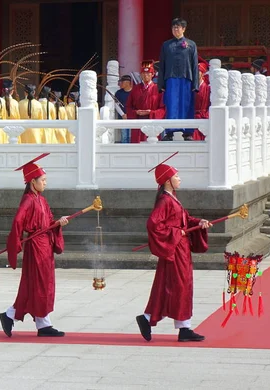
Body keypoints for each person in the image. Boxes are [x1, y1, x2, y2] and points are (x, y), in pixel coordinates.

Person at [135, 154, 211, 342]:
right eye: (176, 176)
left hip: (179, 250)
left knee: (171, 286)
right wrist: (177, 233)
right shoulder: (165, 201)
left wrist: (199, 222)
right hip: (175, 250)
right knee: (178, 286)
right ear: (168, 181)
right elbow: (153, 224)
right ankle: (182, 326)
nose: (179, 178)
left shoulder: (172, 198)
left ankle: (155, 320)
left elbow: (183, 220)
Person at [0, 153, 69, 338]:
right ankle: (15, 315)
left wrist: (57, 224)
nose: (45, 183)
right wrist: (16, 243)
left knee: (41, 285)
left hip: (44, 244)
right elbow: (17, 222)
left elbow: (48, 223)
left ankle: (38, 322)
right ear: (32, 182)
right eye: (43, 180)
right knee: (37, 285)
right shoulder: (29, 200)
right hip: (36, 247)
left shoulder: (41, 199)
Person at [158, 18, 198, 141]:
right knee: (171, 104)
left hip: (186, 79)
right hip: (171, 79)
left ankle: (187, 132)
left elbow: (194, 65)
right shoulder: (166, 45)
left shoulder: (191, 44)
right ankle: (169, 132)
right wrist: (160, 84)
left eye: (178, 27)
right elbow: (162, 65)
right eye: (174, 27)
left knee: (186, 105)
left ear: (184, 29)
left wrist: (195, 84)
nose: (175, 29)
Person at [125, 61, 165, 143]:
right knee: (137, 147)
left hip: (152, 123)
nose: (145, 75)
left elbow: (163, 109)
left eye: (148, 73)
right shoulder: (135, 89)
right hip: (138, 122)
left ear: (152, 75)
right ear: (141, 75)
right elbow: (128, 107)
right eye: (143, 73)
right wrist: (136, 112)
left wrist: (151, 112)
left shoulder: (158, 89)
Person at [193, 62, 211, 140]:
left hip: (202, 117)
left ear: (203, 73)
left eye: (198, 72)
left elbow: (210, 105)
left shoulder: (208, 89)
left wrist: (206, 115)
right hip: (192, 117)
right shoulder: (192, 88)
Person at [115, 75, 133, 143]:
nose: (120, 84)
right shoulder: (118, 93)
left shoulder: (134, 92)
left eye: (122, 82)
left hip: (133, 117)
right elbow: (116, 104)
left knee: (133, 136)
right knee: (124, 136)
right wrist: (123, 114)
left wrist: (130, 114)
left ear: (127, 83)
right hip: (123, 118)